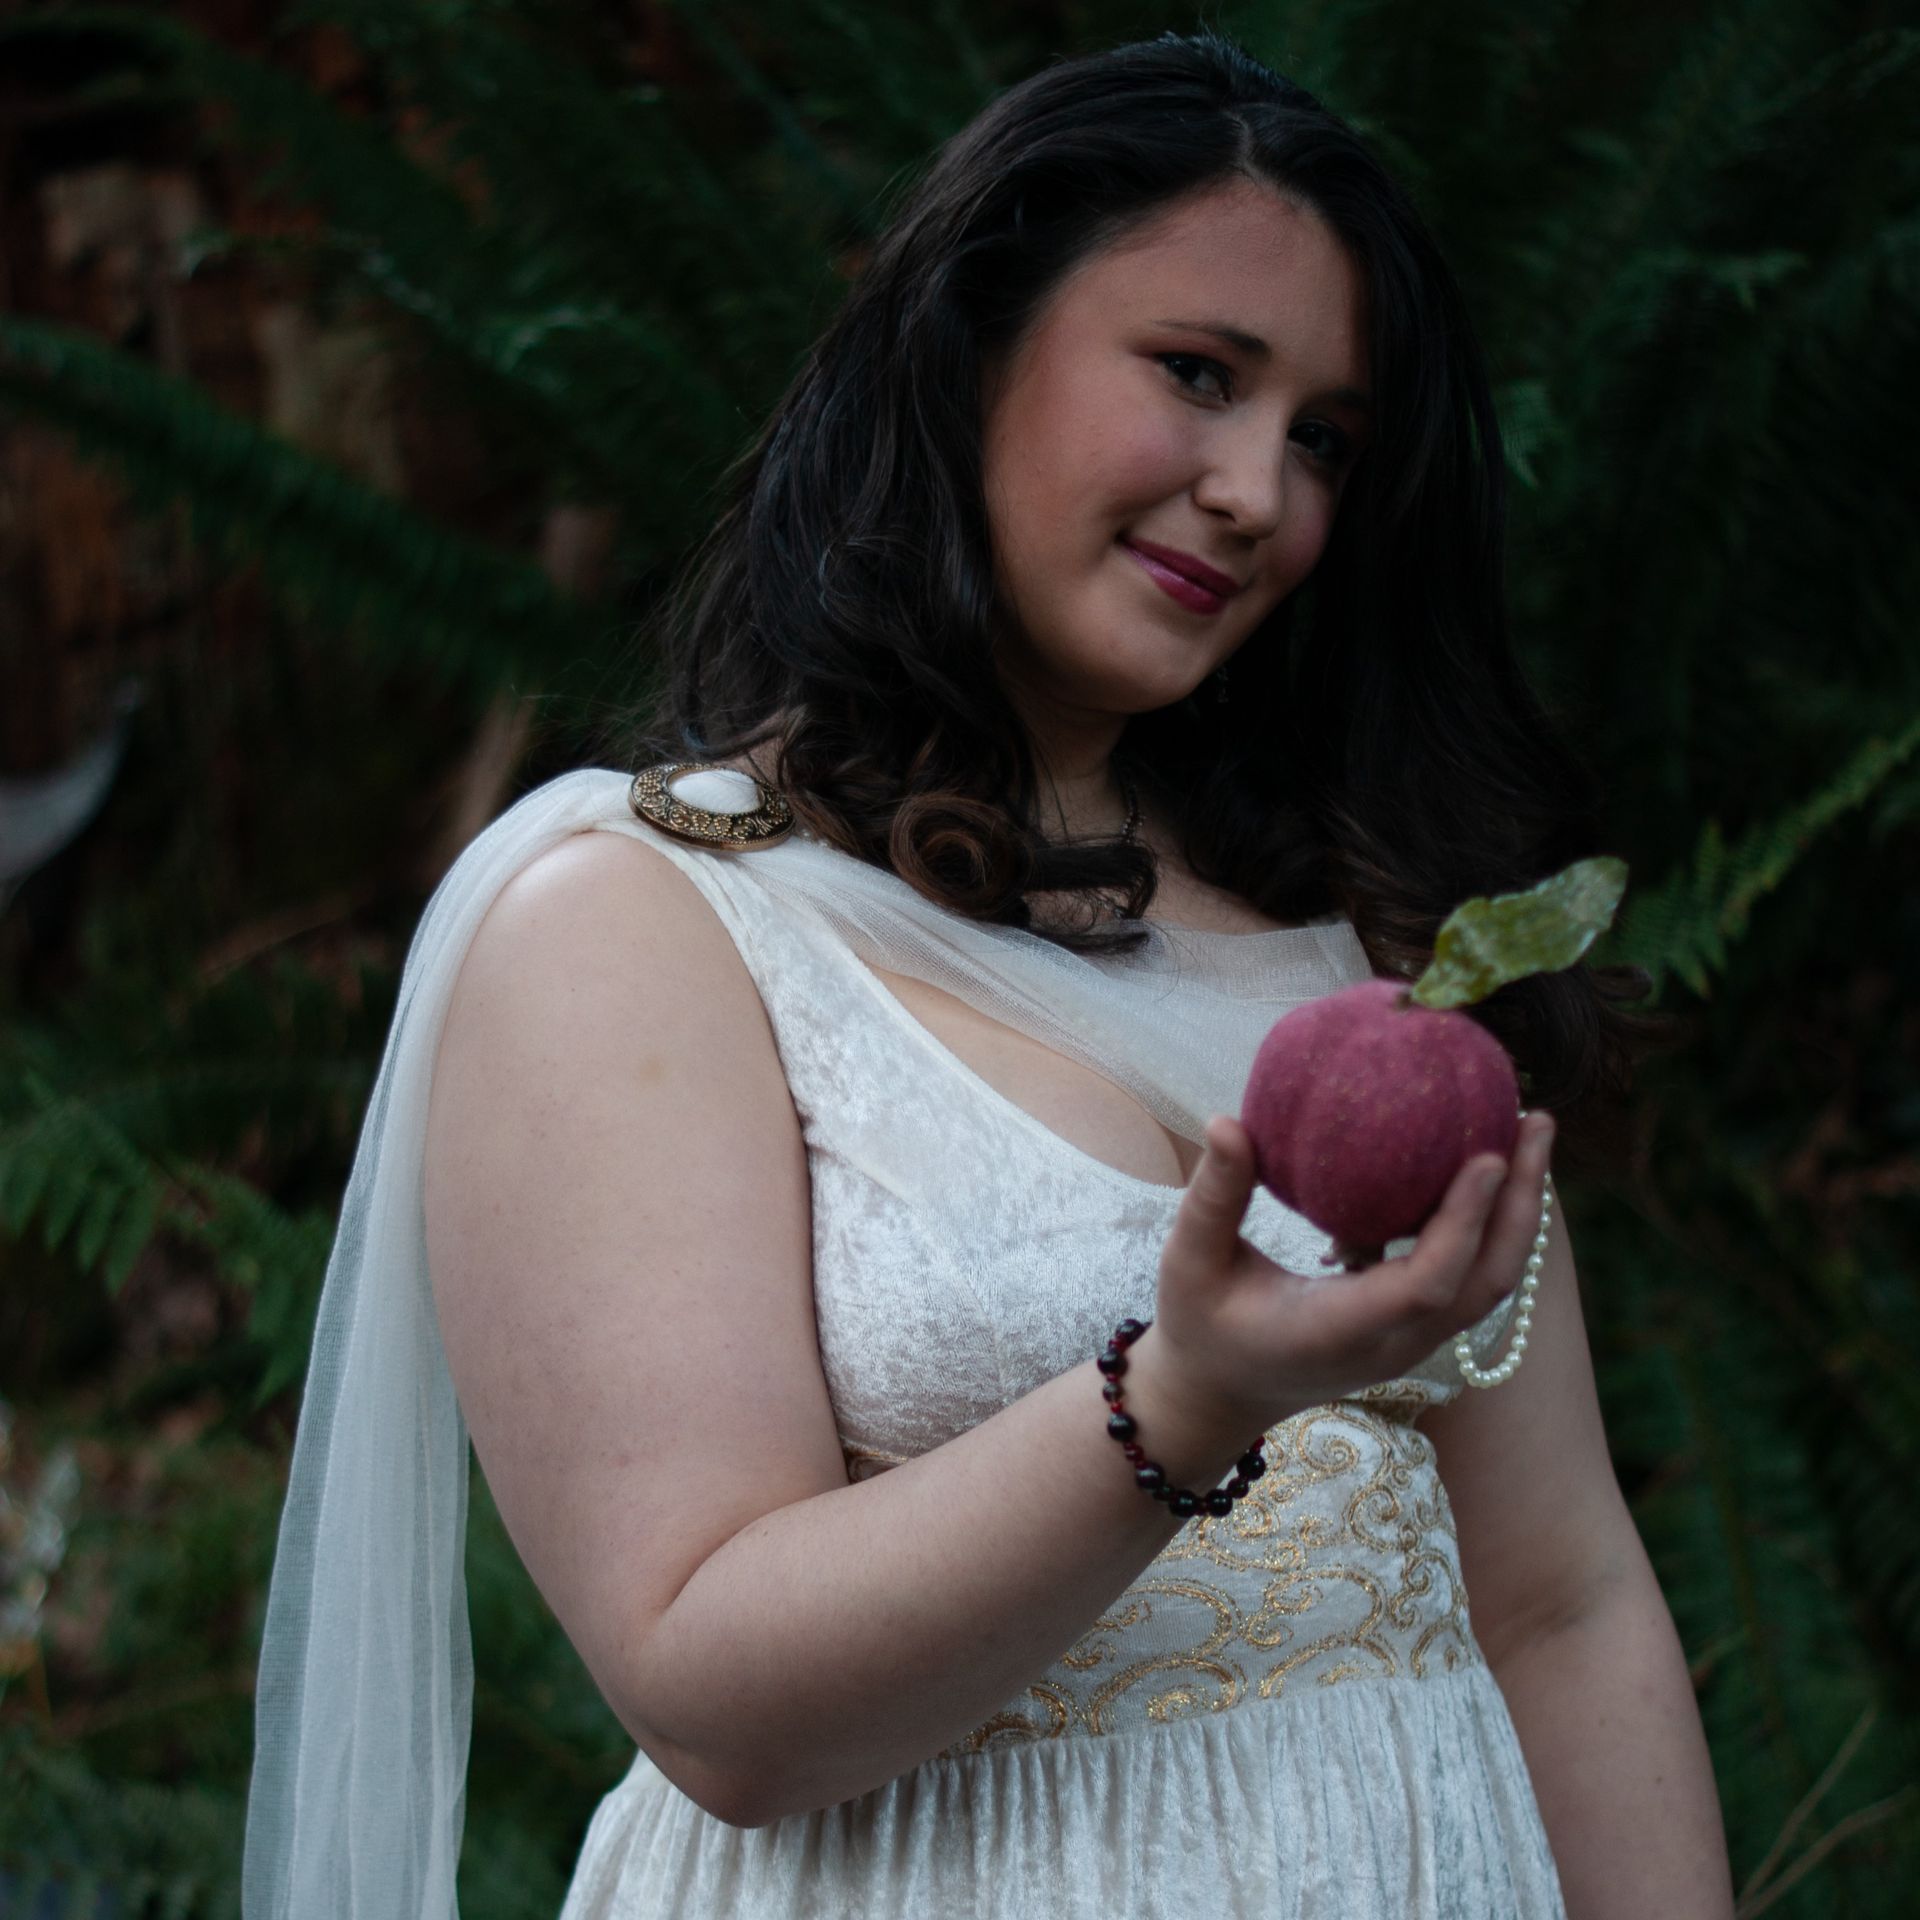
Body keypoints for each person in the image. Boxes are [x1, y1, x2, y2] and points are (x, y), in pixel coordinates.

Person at [241, 29, 1736, 1920]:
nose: (1259, 493)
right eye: (1198, 375)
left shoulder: (1364, 938)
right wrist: (1179, 1396)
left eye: (1324, 444)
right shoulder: (642, 917)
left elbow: (1559, 1597)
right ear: (966, 341)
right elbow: (716, 1697)